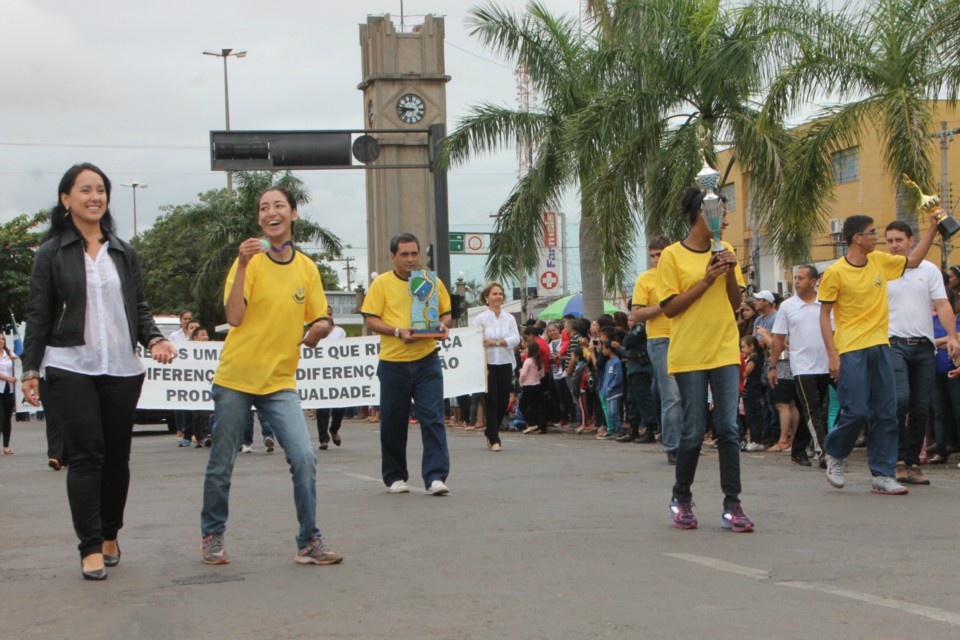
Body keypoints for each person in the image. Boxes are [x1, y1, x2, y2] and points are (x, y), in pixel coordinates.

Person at [21, 163, 178, 581]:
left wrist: (155, 339)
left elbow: (139, 307)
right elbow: (38, 314)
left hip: (121, 368)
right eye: (85, 189)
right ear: (66, 199)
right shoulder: (50, 253)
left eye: (101, 190)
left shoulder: (123, 251)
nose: (95, 197)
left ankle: (111, 533)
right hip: (69, 363)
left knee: (116, 458)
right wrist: (30, 368)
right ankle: (89, 546)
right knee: (87, 456)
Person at [200, 186, 342, 567]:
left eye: (279, 205)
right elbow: (234, 318)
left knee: (304, 456)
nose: (271, 212)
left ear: (293, 215)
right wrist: (243, 264)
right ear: (260, 219)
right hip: (236, 378)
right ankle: (212, 534)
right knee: (222, 461)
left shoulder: (307, 268)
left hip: (280, 381)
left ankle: (308, 541)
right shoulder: (249, 262)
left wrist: (320, 329)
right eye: (264, 208)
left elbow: (322, 316)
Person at [818, 213, 947, 495]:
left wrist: (933, 230)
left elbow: (912, 261)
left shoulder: (879, 261)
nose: (877, 238)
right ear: (857, 238)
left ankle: (883, 473)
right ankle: (835, 454)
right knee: (856, 411)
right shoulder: (836, 272)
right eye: (872, 232)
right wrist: (832, 355)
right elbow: (824, 315)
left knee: (887, 412)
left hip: (882, 345)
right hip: (851, 348)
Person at [657, 186, 753, 532]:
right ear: (703, 214)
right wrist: (706, 278)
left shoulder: (726, 250)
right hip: (690, 354)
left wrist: (726, 272)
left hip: (725, 349)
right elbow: (669, 308)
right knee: (694, 430)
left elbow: (732, 304)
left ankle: (733, 504)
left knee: (728, 428)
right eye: (721, 214)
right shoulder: (672, 256)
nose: (725, 221)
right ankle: (681, 497)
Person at [361, 233, 452, 496]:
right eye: (404, 255)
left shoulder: (429, 281)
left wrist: (443, 324)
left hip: (427, 359)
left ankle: (435, 477)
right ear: (393, 257)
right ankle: (395, 477)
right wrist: (398, 331)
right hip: (393, 363)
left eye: (414, 254)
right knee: (393, 421)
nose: (411, 259)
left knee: (433, 418)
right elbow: (371, 320)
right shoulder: (381, 284)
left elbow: (445, 312)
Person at [883, 221, 958, 486]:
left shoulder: (929, 270)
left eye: (899, 240)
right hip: (893, 343)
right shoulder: (882, 268)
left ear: (911, 240)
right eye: (889, 240)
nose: (894, 245)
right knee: (900, 399)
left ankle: (913, 463)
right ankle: (897, 459)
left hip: (924, 346)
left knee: (919, 407)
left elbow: (942, 304)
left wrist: (951, 337)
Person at [768, 265, 831, 467]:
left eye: (801, 278)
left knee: (819, 409)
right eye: (795, 277)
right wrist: (772, 365)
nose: (796, 281)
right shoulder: (788, 306)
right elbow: (778, 337)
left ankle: (797, 449)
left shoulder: (826, 302)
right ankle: (825, 452)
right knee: (812, 408)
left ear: (813, 281)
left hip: (827, 364)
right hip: (803, 367)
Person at [632, 235, 682, 464]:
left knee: (689, 394)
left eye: (659, 254)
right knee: (671, 394)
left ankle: (687, 441)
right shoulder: (645, 279)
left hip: (686, 336)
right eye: (652, 255)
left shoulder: (682, 274)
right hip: (660, 339)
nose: (655, 259)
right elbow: (637, 313)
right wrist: (664, 306)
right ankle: (674, 446)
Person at [471, 282, 520, 451]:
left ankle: (491, 430)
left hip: (505, 362)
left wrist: (496, 342)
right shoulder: (481, 319)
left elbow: (516, 339)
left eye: (500, 293)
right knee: (491, 400)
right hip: (488, 365)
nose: (498, 296)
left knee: (502, 401)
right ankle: (494, 438)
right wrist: (484, 343)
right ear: (487, 297)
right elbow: (473, 339)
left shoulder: (509, 318)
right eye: (494, 294)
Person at [316, 306, 348, 450]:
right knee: (322, 408)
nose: (328, 317)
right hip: (321, 374)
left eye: (329, 314)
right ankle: (323, 439)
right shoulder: (313, 332)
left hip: (338, 374)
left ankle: (334, 429)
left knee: (339, 407)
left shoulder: (340, 331)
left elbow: (346, 350)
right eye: (325, 314)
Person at [740, 335, 765, 451]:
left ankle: (756, 440)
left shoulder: (753, 359)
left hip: (752, 390)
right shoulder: (753, 358)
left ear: (752, 346)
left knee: (753, 416)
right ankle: (754, 439)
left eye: (744, 347)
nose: (742, 350)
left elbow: (746, 373)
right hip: (749, 390)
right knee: (750, 415)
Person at [600, 340, 624, 439]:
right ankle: (615, 430)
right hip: (608, 392)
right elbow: (606, 377)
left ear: (609, 349)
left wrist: (611, 386)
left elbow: (618, 376)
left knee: (614, 412)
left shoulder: (616, 361)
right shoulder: (608, 362)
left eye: (604, 349)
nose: (602, 351)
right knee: (610, 412)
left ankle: (620, 430)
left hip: (615, 391)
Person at [519, 341, 545, 435]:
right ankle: (541, 426)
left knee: (522, 405)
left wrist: (521, 381)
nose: (525, 350)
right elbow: (542, 375)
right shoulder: (540, 361)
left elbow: (523, 374)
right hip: (537, 385)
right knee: (538, 406)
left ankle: (531, 423)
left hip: (528, 386)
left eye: (527, 348)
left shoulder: (528, 360)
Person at [0, 334, 16, 454]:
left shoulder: (8, 354)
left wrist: (12, 353)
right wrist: (8, 378)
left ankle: (6, 445)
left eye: (2, 339)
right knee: (0, 417)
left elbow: (18, 360)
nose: (1, 341)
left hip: (8, 390)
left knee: (7, 418)